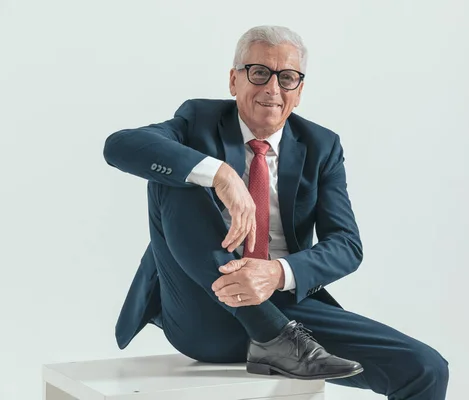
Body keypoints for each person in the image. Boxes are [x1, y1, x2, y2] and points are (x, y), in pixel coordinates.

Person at [103, 25, 449, 399]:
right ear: (234, 80)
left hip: (289, 316)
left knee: (426, 368)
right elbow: (120, 145)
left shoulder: (322, 146)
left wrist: (276, 273)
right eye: (259, 73)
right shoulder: (197, 121)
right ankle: (269, 332)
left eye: (287, 78)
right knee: (174, 172)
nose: (272, 88)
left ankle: (277, 335)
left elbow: (347, 245)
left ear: (299, 92)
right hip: (203, 310)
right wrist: (220, 174)